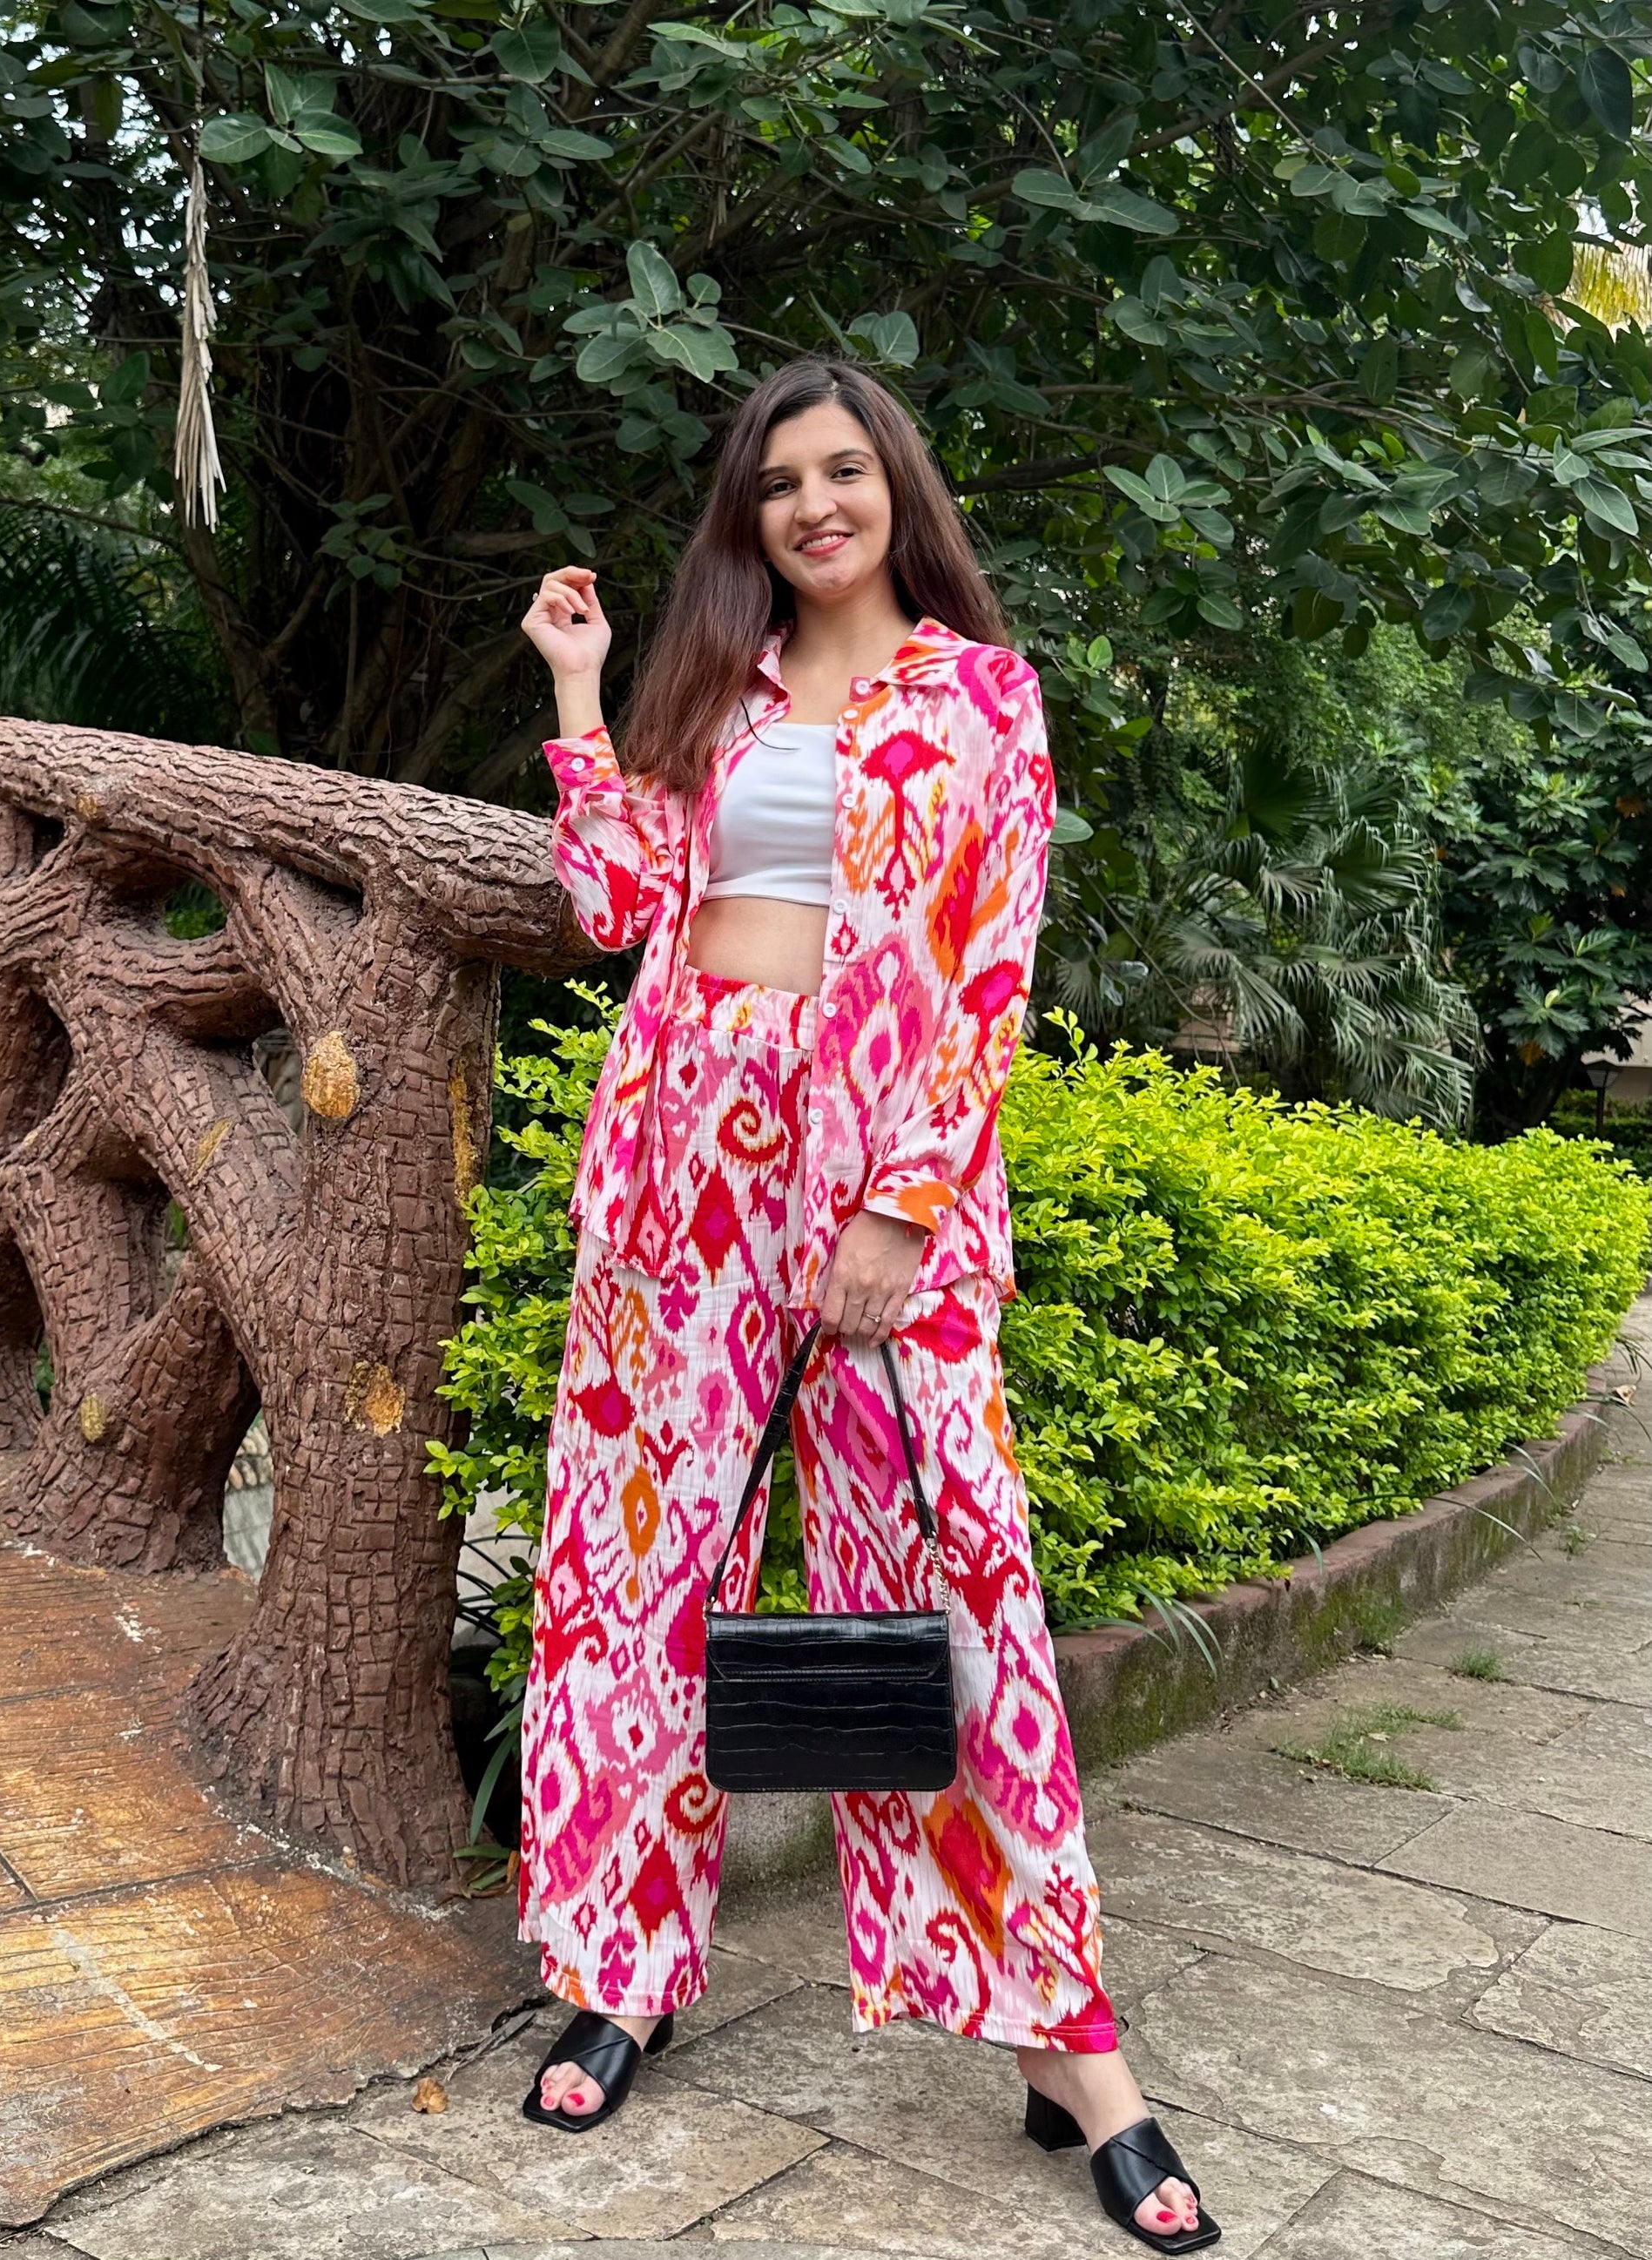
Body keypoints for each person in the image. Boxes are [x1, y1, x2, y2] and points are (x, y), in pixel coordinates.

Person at [514, 354, 1220, 2253]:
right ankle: (622, 1966)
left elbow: (988, 974)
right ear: (744, 518)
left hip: (879, 1189)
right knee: (639, 1574)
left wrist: (903, 1204)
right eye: (776, 483)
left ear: (895, 485)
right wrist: (581, 690)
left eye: (840, 470)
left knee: (961, 1586)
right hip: (678, 1162)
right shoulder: (713, 687)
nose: (812, 505)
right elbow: (615, 906)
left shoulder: (983, 696)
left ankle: (1069, 2043)